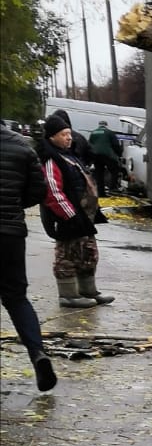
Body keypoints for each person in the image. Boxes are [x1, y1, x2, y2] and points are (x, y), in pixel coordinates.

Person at [0, 124, 58, 391]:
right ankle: (38, 354)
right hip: (11, 234)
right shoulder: (23, 146)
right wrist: (12, 204)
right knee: (16, 298)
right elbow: (38, 191)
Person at [38, 116, 114, 309]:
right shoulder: (51, 160)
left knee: (88, 253)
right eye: (64, 134)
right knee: (67, 256)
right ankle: (68, 294)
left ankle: (89, 290)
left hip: (83, 216)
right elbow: (53, 192)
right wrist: (70, 215)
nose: (68, 138)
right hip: (68, 218)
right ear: (52, 137)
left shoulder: (70, 155)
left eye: (69, 134)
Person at [88, 120, 123, 194]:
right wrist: (119, 155)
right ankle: (113, 189)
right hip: (107, 154)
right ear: (106, 125)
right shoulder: (109, 132)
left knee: (99, 173)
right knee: (115, 170)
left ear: (99, 125)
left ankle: (101, 192)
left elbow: (89, 145)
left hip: (96, 155)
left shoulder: (93, 132)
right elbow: (116, 145)